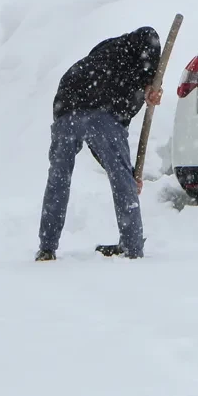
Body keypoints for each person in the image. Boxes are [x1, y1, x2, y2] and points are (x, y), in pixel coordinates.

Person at [35, 26, 163, 261]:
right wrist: (148, 82)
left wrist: (125, 170)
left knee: (58, 178)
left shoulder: (106, 57)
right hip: (97, 106)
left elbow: (99, 143)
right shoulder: (135, 58)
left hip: (65, 106)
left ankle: (47, 248)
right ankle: (132, 248)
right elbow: (149, 33)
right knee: (120, 178)